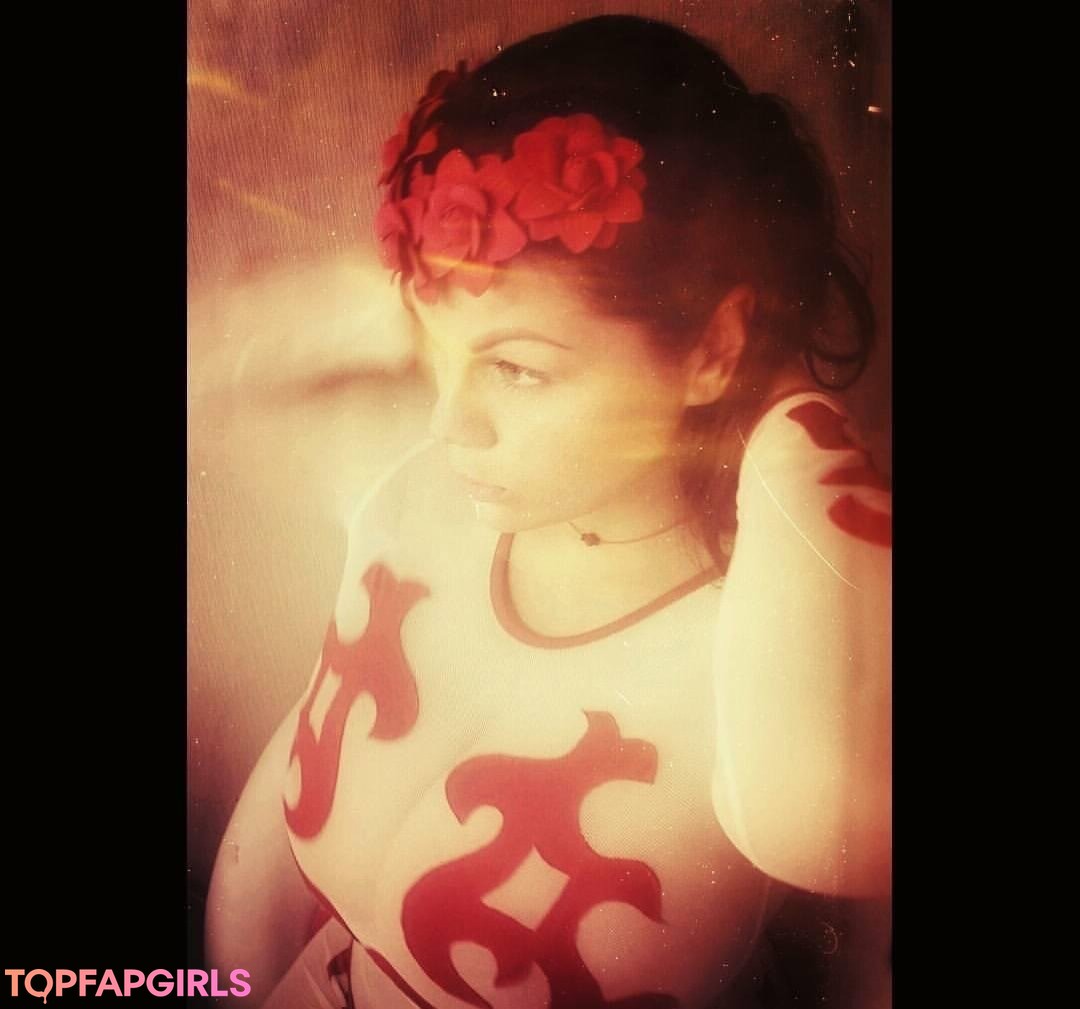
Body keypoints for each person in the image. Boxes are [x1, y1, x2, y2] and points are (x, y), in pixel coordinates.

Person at [205, 14, 891, 1009]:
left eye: (518, 370)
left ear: (715, 346)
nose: (449, 422)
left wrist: (790, 413)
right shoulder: (419, 493)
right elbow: (216, 371)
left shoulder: (778, 657)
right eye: (433, 351)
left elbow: (826, 825)